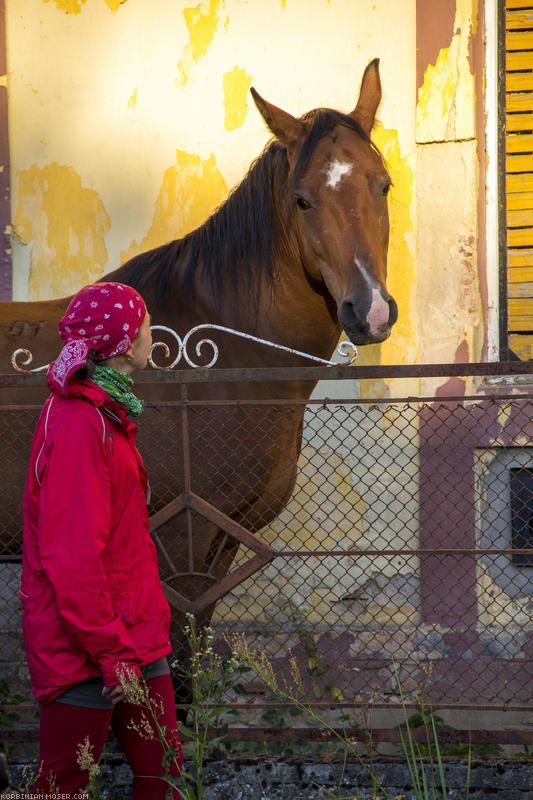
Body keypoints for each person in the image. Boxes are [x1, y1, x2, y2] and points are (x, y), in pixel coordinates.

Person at [20, 282, 182, 799]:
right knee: (63, 787)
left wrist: (132, 644)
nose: (152, 334)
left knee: (166, 778)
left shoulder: (107, 411)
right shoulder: (78, 420)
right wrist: (113, 655)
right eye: (146, 324)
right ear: (122, 341)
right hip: (86, 646)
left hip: (133, 633)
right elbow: (70, 555)